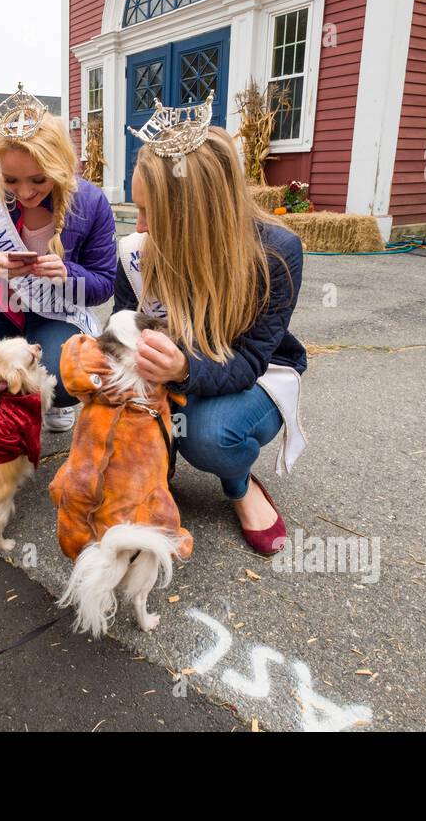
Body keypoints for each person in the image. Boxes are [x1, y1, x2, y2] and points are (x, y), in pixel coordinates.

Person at [114, 124, 307, 554]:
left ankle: (239, 486)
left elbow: (249, 360)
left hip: (254, 373)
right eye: (137, 209)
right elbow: (122, 324)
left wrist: (183, 369)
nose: (140, 227)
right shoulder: (136, 250)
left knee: (208, 435)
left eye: (152, 213)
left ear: (197, 211)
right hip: (177, 364)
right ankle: (158, 467)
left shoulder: (275, 254)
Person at [0, 90, 116, 432]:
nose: (26, 192)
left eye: (38, 179)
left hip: (59, 313)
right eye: (11, 180)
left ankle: (52, 401)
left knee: (64, 373)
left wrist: (67, 274)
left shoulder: (90, 203)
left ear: (60, 168)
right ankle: (1, 404)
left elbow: (104, 284)